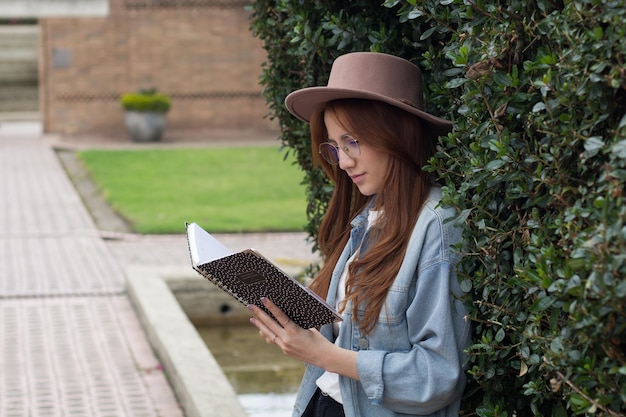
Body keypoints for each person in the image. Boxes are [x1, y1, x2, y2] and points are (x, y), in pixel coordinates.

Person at [247, 52, 471, 417]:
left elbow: (438, 375)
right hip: (322, 403)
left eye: (352, 142)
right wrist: (288, 319)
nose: (344, 161)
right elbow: (350, 327)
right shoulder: (370, 216)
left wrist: (326, 355)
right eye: (335, 146)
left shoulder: (437, 226)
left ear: (394, 134)